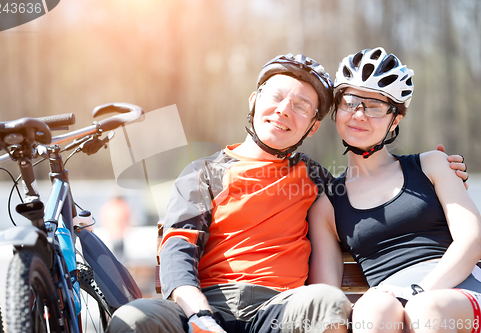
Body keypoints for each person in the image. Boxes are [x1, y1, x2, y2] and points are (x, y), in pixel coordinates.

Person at [106, 53, 466, 333]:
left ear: (311, 128)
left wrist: (439, 175)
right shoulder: (203, 173)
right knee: (134, 318)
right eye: (277, 96)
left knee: (325, 303)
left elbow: (374, 188)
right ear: (253, 101)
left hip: (278, 310)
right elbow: (177, 252)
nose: (283, 111)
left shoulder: (316, 178)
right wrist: (197, 312)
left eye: (301, 106)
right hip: (202, 305)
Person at [308, 47, 481, 333]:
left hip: (454, 292)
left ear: (395, 120)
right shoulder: (327, 206)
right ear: (336, 109)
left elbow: (472, 240)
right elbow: (327, 297)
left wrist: (417, 291)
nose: (359, 115)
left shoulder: (431, 165)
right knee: (372, 311)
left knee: (427, 311)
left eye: (375, 106)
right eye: (350, 102)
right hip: (388, 302)